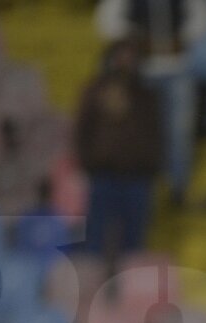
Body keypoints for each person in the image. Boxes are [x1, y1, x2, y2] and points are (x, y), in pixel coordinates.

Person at [74, 36, 163, 262]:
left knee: (134, 243)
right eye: (120, 57)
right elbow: (81, 130)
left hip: (137, 178)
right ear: (109, 60)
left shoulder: (146, 95)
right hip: (103, 175)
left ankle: (131, 291)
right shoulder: (95, 91)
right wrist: (88, 163)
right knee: (95, 238)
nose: (125, 62)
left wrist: (152, 167)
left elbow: (156, 134)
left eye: (130, 58)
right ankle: (93, 289)